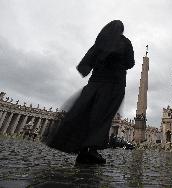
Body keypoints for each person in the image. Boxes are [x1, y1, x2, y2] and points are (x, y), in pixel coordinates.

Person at [45, 20, 135, 164]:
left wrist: (97, 64)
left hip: (94, 83)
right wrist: (118, 63)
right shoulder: (124, 42)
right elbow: (130, 63)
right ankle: (91, 151)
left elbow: (84, 66)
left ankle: (80, 149)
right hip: (114, 84)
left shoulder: (100, 42)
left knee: (86, 114)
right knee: (102, 118)